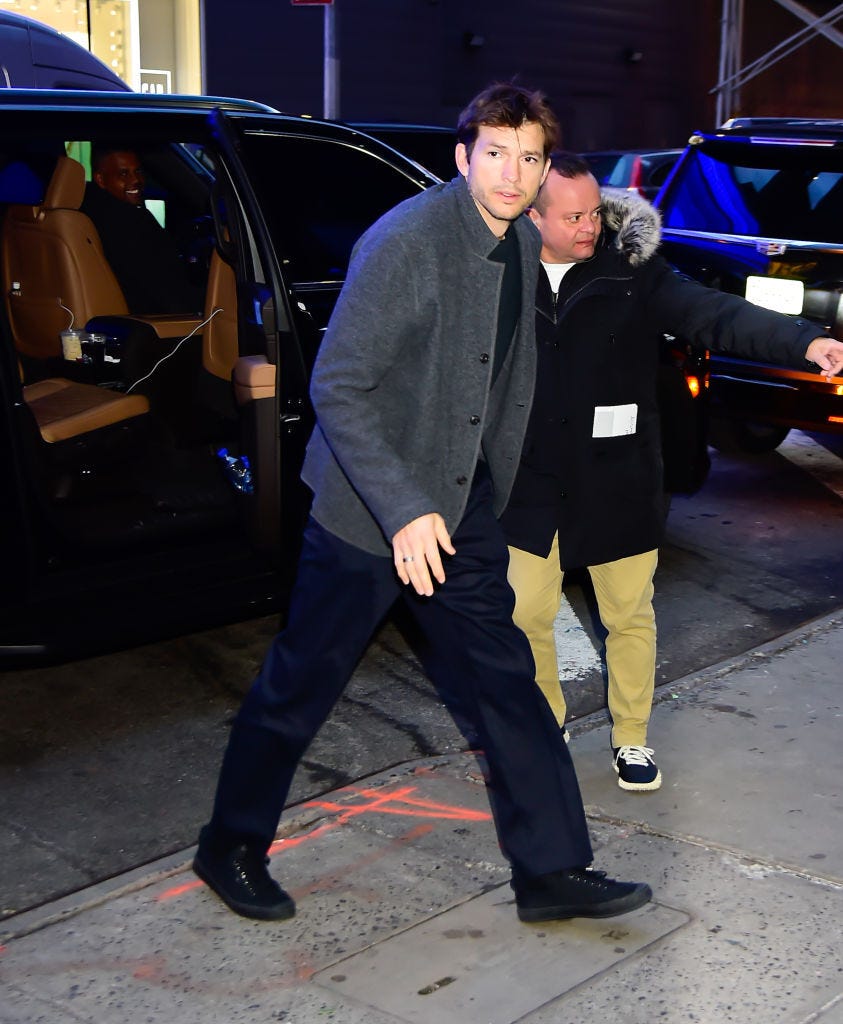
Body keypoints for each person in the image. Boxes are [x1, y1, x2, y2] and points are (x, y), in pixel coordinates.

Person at [192, 84, 652, 926]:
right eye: (497, 154)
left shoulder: (515, 237)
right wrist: (404, 509)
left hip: (459, 505)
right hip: (373, 511)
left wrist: (495, 488)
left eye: (529, 157)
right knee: (304, 681)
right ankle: (229, 843)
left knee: (508, 680)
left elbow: (503, 374)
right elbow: (339, 385)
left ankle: (550, 869)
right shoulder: (406, 242)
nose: (514, 175)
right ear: (462, 157)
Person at [500, 151, 843, 792]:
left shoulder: (633, 273)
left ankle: (632, 737)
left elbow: (714, 312)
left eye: (595, 212)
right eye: (572, 216)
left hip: (616, 473)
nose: (589, 227)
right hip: (530, 477)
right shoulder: (497, 274)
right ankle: (543, 734)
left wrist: (804, 341)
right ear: (531, 217)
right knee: (525, 617)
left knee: (629, 615)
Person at [81, 144, 203, 314]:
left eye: (138, 171)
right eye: (123, 174)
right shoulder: (130, 223)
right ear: (100, 180)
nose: (136, 180)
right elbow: (167, 293)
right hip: (151, 328)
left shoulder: (87, 216)